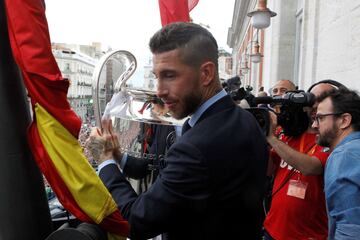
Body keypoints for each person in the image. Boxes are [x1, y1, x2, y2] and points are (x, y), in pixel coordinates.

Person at [87, 22, 268, 240]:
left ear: (206, 74)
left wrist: (105, 161)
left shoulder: (197, 146)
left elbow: (138, 221)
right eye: (156, 76)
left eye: (170, 75)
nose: (159, 91)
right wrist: (117, 156)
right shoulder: (245, 119)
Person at [262, 81, 342, 240]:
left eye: (323, 99)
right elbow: (269, 170)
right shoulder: (288, 135)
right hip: (273, 229)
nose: (316, 105)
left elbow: (311, 167)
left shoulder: (331, 139)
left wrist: (271, 139)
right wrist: (262, 137)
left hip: (308, 235)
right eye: (313, 98)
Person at [312, 88, 360, 239]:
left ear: (344, 120)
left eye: (320, 118)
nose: (314, 125)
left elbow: (350, 229)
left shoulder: (343, 156)